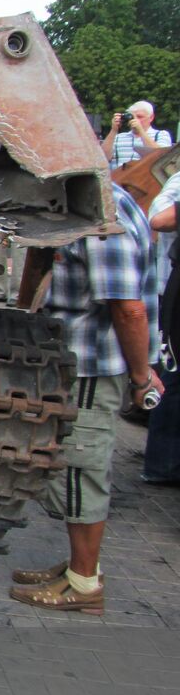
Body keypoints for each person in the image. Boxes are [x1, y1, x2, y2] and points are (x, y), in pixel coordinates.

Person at [9, 183, 162, 613]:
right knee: (74, 465)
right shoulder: (97, 198)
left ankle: (85, 584)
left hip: (92, 363)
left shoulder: (100, 222)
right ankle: (77, 568)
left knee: (82, 468)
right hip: (78, 359)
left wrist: (141, 377)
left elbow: (128, 308)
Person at [144, 188, 180, 484]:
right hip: (170, 286)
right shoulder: (176, 184)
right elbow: (159, 220)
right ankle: (162, 465)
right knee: (173, 376)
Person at [102, 100, 173, 170]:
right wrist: (114, 130)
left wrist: (141, 131)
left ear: (151, 118)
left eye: (140, 117)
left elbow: (161, 157)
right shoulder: (118, 137)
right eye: (132, 117)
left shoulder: (161, 134)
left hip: (144, 178)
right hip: (117, 178)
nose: (135, 120)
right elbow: (102, 158)